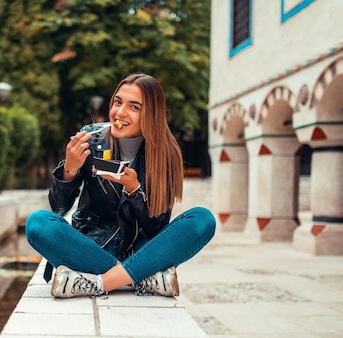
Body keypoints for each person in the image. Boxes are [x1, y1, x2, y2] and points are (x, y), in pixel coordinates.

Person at [25, 72, 216, 298]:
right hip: (91, 247)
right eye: (118, 102)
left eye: (134, 107)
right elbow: (59, 207)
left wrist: (135, 190)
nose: (120, 112)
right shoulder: (90, 138)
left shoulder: (166, 153)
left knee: (203, 219)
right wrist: (70, 169)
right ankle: (139, 279)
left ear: (151, 114)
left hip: (141, 250)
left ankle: (98, 282)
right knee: (37, 223)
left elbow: (157, 226)